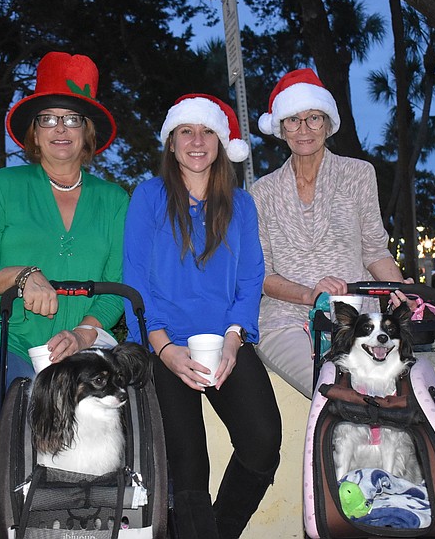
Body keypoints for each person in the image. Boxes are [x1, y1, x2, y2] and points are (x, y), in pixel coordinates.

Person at [123, 94, 281, 538]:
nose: (197, 141)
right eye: (185, 132)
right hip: (164, 344)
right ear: (171, 144)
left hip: (224, 341)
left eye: (207, 131)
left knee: (263, 442)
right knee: (188, 467)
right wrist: (163, 349)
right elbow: (133, 280)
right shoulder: (149, 197)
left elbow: (252, 278)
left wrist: (234, 337)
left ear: (221, 142)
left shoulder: (241, 204)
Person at [0, 52, 129, 413]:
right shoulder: (3, 185)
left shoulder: (114, 200)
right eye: (48, 119)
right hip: (2, 342)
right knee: (34, 420)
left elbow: (115, 288)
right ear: (34, 131)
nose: (60, 128)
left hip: (79, 351)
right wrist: (23, 275)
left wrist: (83, 335)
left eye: (72, 119)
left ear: (87, 131)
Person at [251, 68, 412, 399]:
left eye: (313, 118)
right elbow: (262, 274)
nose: (304, 129)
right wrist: (313, 294)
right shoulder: (261, 192)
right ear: (281, 128)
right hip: (285, 320)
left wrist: (400, 289)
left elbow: (374, 250)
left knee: (378, 388)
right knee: (336, 387)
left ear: (327, 122)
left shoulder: (358, 174)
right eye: (293, 120)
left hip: (355, 317)